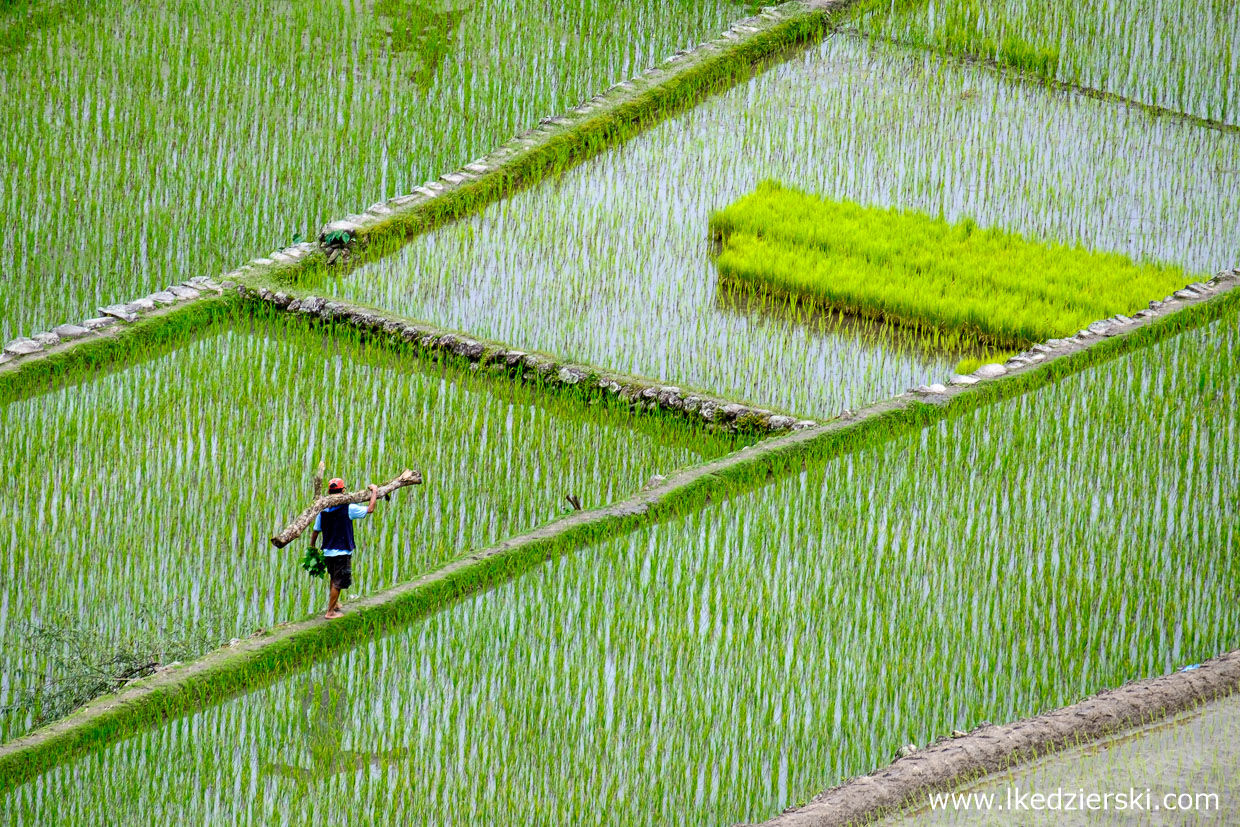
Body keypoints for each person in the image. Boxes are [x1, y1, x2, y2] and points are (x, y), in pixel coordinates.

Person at [308, 478, 379, 619]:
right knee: (338, 582)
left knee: (334, 578)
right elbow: (370, 509)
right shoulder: (349, 508)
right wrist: (375, 492)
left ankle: (334, 605)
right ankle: (330, 612)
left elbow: (316, 531)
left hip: (327, 551)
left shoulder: (323, 510)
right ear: (343, 491)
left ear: (329, 492)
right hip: (342, 551)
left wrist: (312, 547)